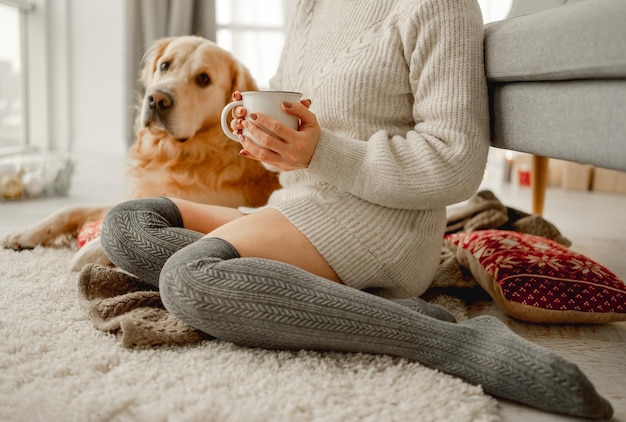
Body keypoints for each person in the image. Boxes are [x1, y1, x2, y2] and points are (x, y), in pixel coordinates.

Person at [90, 0, 612, 418]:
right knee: (127, 224)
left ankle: (454, 343)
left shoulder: (438, 5)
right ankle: (355, 304)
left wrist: (322, 152)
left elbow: (458, 161)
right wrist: (270, 144)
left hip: (384, 223)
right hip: (299, 204)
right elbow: (295, 145)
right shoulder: (309, 7)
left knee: (188, 280)